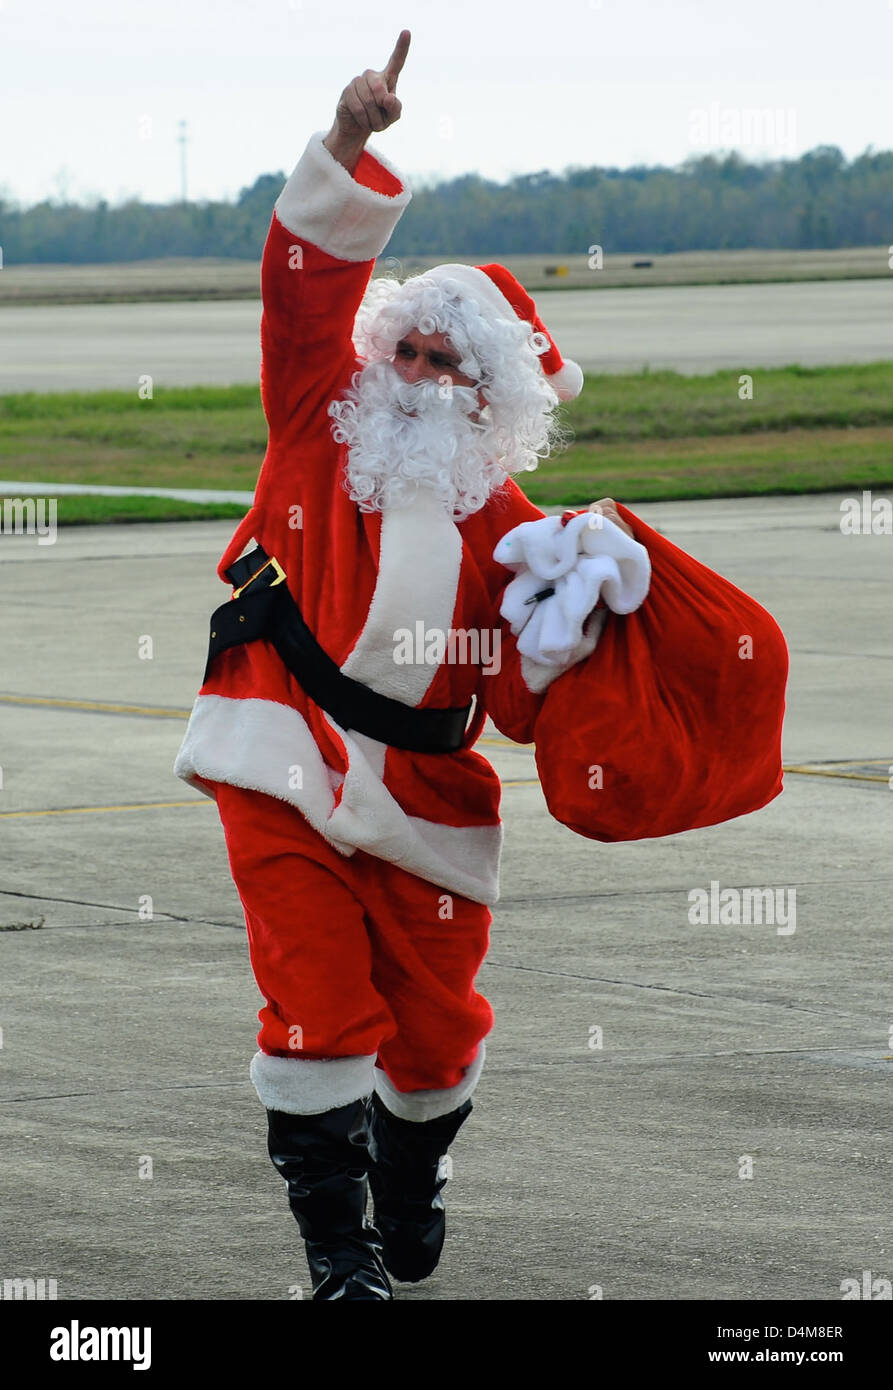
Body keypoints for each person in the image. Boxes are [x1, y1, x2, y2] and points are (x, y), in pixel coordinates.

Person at [174, 28, 647, 1300]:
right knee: (314, 996)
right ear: (383, 352)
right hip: (280, 748)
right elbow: (301, 285)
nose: (424, 377)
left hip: (428, 803)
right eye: (413, 351)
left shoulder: (508, 531)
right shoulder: (315, 423)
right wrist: (344, 141)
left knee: (433, 1036)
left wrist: (570, 632)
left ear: (491, 400)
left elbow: (511, 699)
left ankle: (408, 1170)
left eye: (453, 366)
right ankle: (338, 1254)